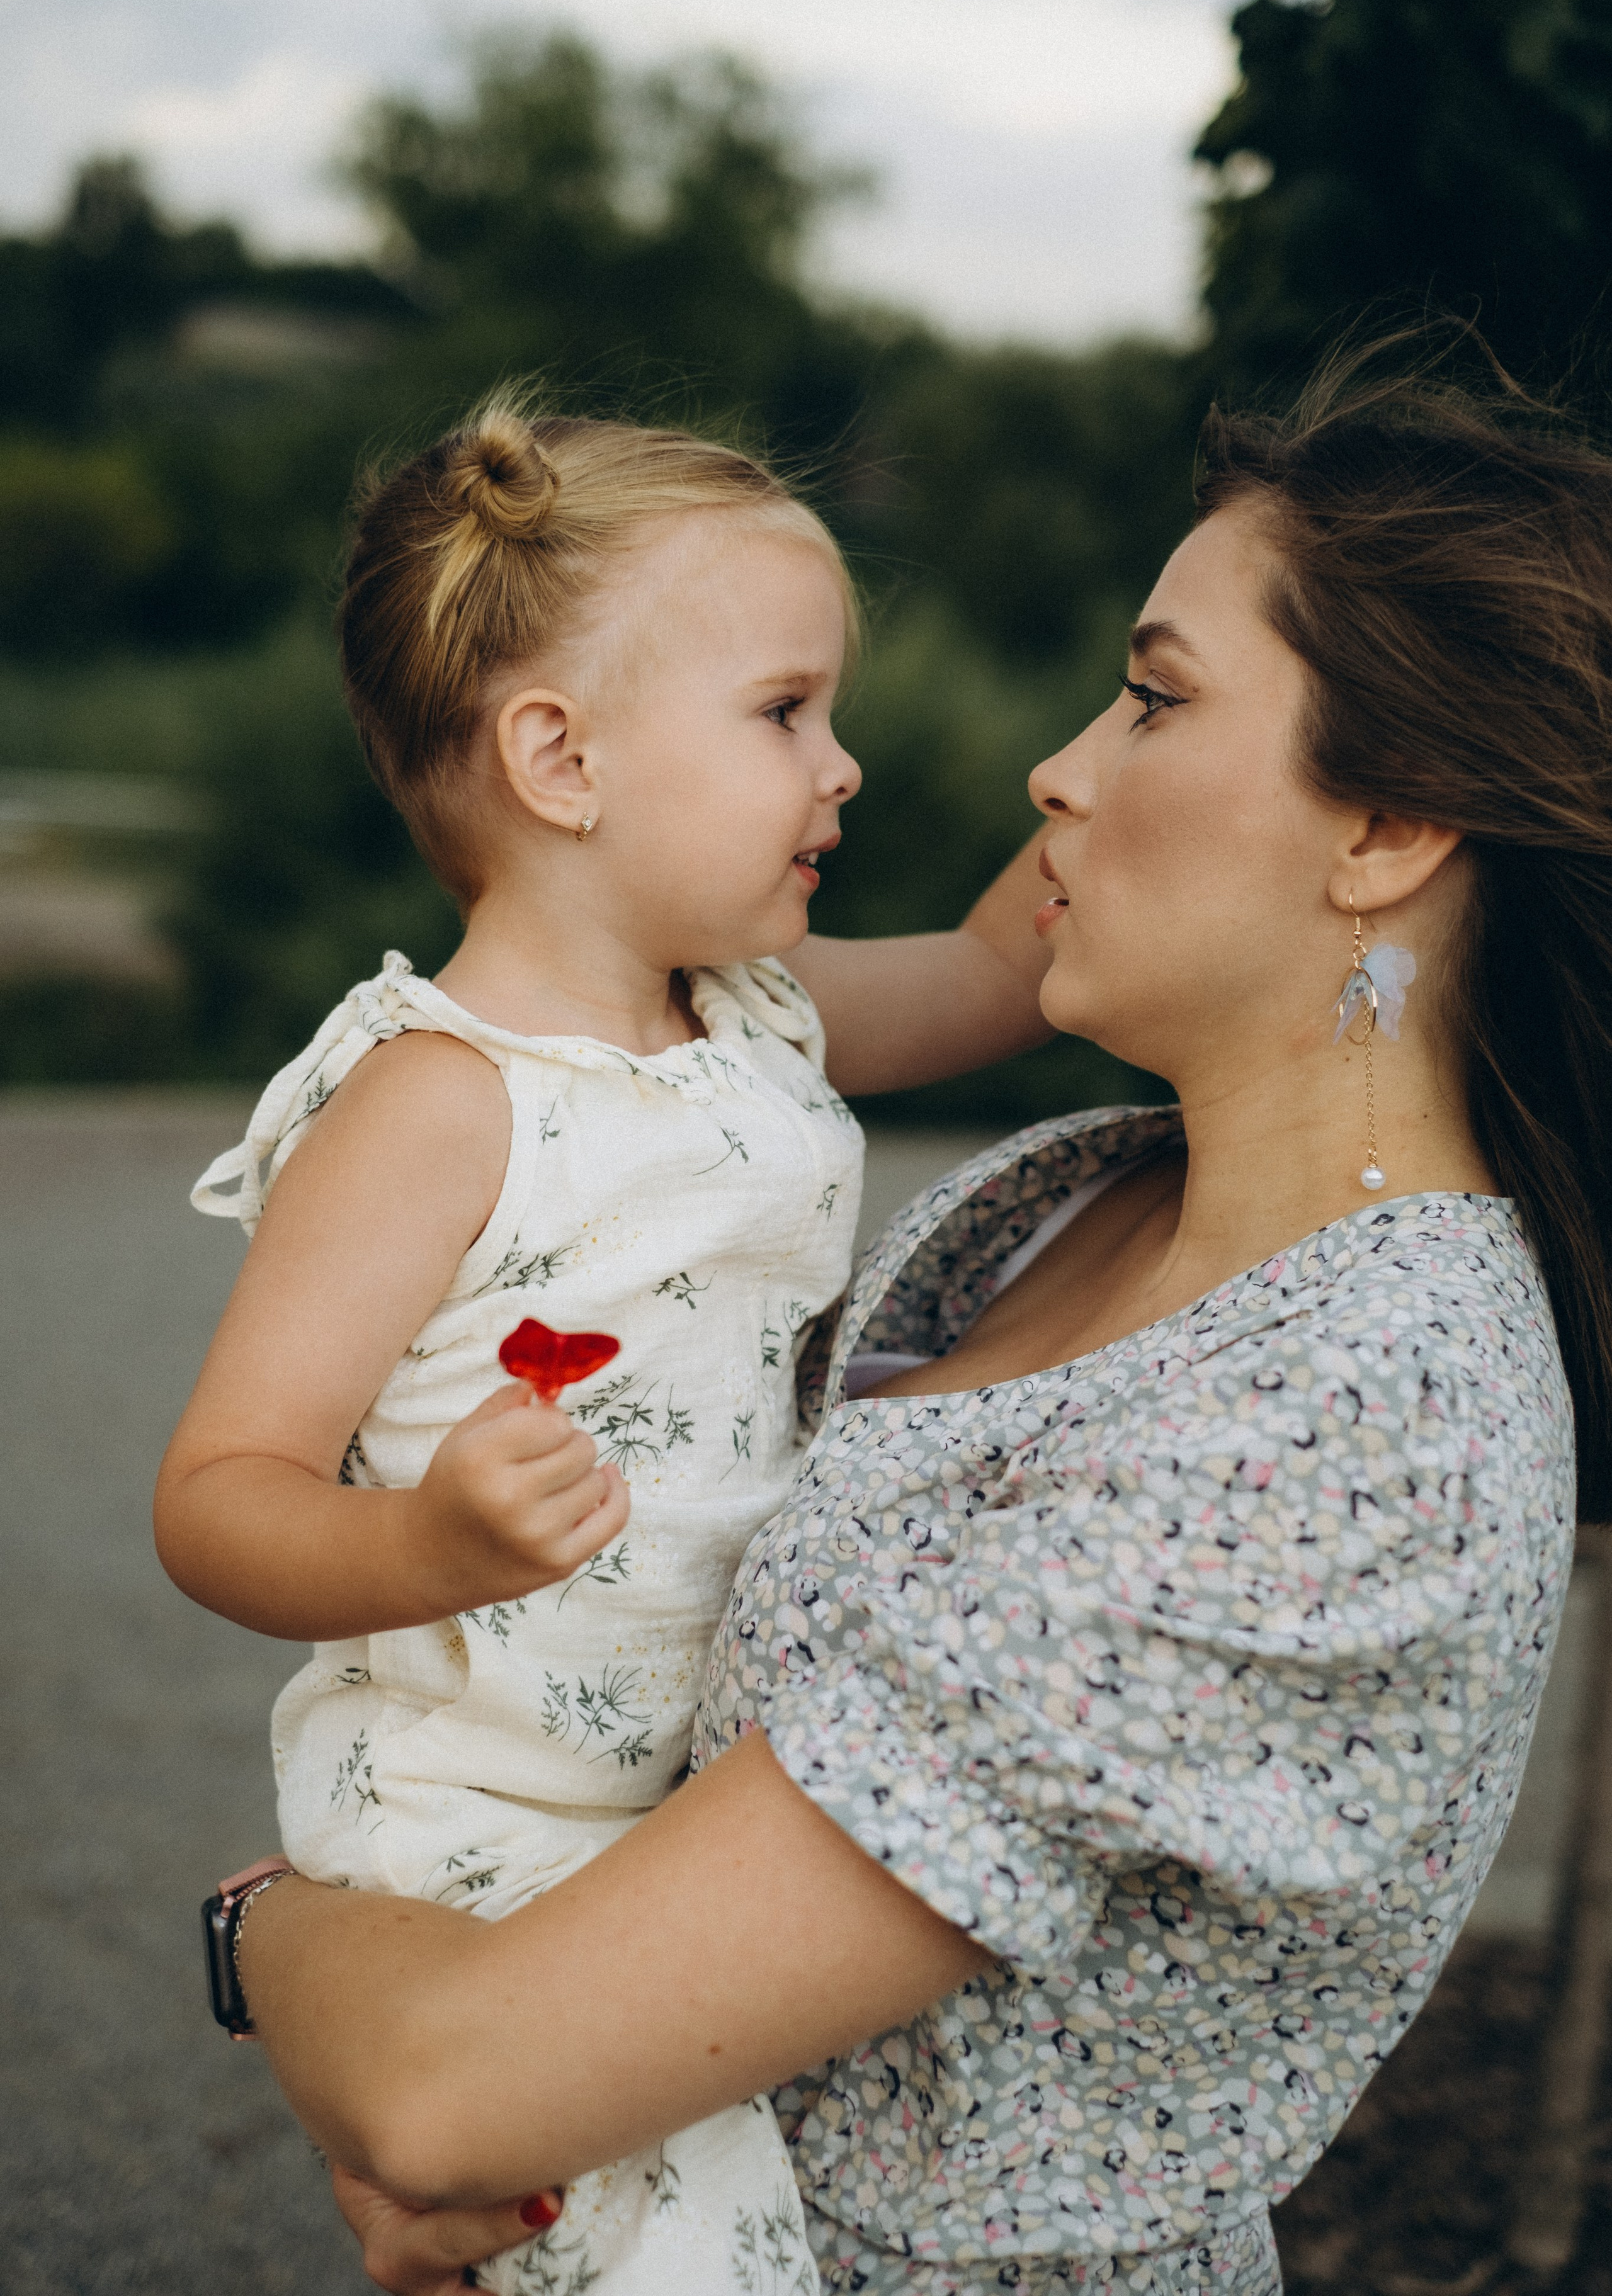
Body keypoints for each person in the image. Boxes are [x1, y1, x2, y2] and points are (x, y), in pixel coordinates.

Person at [235, 356, 1608, 2296]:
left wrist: (272, 1937)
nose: (1058, 767)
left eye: (1152, 697)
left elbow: (453, 2098)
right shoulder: (1068, 1195)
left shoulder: (1356, 1413)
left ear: (1385, 823)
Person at [154, 397, 1053, 2296]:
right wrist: (428, 1548)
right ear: (558, 757)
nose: (847, 764)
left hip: (689, 1786)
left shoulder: (759, 1009)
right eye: (785, 712)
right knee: (691, 2244)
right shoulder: (439, 1103)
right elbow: (217, 1495)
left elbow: (992, 979)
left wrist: (1123, 792)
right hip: (482, 1812)